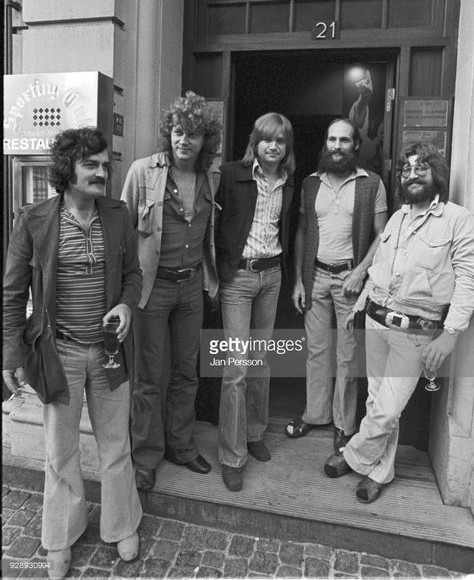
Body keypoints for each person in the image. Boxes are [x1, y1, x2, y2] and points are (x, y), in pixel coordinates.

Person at [3, 128, 143, 580]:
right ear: (68, 171)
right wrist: (11, 354)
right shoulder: (34, 219)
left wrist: (125, 304)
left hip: (108, 353)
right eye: (93, 165)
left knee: (115, 444)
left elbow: (134, 277)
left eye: (106, 165)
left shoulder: (119, 216)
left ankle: (121, 524)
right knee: (60, 450)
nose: (104, 173)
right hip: (58, 352)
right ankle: (61, 535)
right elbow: (11, 293)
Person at [324, 142, 474, 503]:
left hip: (415, 332)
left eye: (420, 168)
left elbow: (468, 279)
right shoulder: (397, 217)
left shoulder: (458, 219)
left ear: (435, 173)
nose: (412, 175)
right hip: (376, 320)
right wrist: (359, 306)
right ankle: (379, 472)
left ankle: (353, 453)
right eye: (406, 170)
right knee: (377, 404)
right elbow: (379, 268)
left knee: (389, 408)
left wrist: (451, 335)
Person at [121, 91, 222, 491]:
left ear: (204, 140)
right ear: (169, 134)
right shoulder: (142, 171)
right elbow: (123, 232)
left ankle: (181, 445)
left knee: (186, 371)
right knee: (149, 376)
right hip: (152, 288)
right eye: (178, 132)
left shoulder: (211, 176)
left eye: (193, 134)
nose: (184, 140)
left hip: (192, 287)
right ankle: (146, 455)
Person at [286, 118, 387, 453]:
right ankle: (315, 415)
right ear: (326, 144)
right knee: (316, 351)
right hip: (315, 277)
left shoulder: (372, 183)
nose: (338, 146)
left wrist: (361, 271)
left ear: (356, 145)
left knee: (347, 355)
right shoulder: (310, 183)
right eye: (332, 139)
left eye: (345, 140)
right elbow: (301, 230)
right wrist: (299, 278)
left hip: (350, 280)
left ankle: (344, 425)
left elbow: (383, 236)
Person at [216, 113, 295, 491]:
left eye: (280, 140)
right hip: (239, 277)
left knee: (261, 361)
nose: (273, 146)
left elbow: (291, 230)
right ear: (255, 142)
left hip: (272, 275)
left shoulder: (288, 182)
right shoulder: (231, 174)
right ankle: (232, 456)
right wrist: (216, 272)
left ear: (287, 147)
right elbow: (212, 224)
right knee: (237, 368)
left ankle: (254, 432)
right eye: (267, 139)